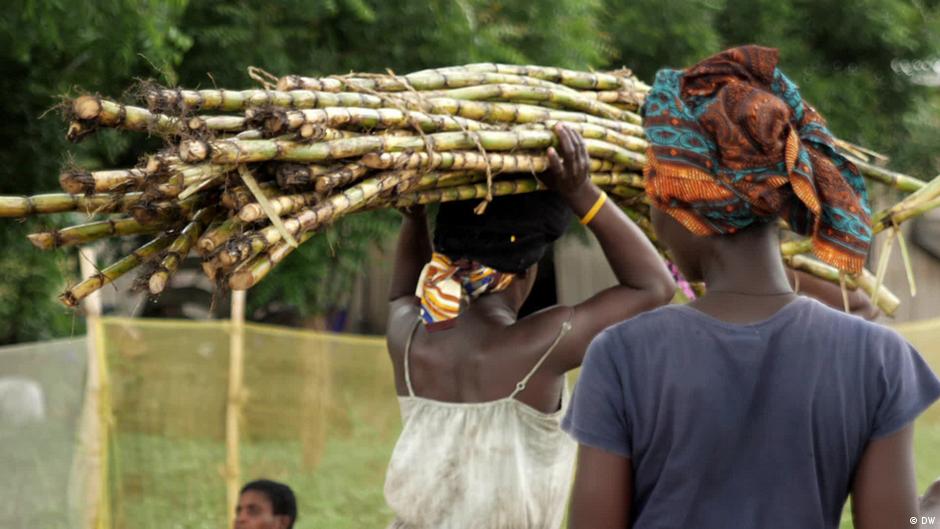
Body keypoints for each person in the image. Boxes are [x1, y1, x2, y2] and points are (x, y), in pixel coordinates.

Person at [563, 45, 940, 529]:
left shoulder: (621, 355)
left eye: (653, 191)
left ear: (685, 205)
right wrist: (928, 516)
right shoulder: (879, 358)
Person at [383, 123, 676, 528]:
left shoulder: (409, 337)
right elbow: (655, 286)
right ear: (527, 271)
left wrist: (415, 214)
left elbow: (402, 295)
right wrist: (582, 194)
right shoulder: (540, 345)